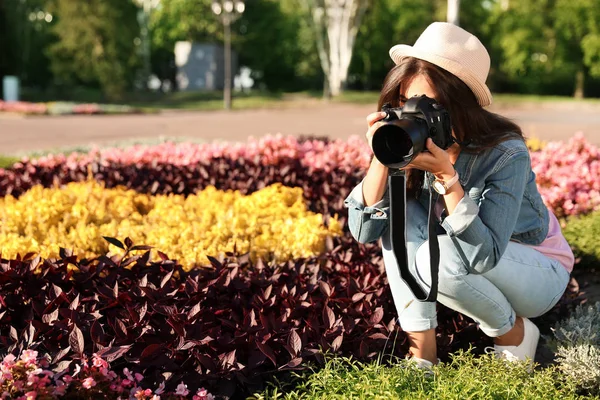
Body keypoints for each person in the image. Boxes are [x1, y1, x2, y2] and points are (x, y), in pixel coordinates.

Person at [344, 22, 574, 368]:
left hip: (537, 271)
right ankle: (423, 354)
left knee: (437, 260)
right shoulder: (407, 144)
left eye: (427, 106)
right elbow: (364, 232)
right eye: (406, 103)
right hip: (471, 261)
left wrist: (446, 177)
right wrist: (382, 156)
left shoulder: (505, 153)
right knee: (400, 217)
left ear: (461, 106)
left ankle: (512, 332)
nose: (412, 117)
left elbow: (482, 256)